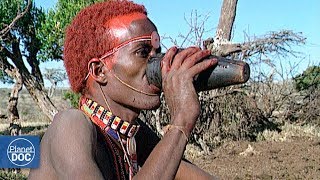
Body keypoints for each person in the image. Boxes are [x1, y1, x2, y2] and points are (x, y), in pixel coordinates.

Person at [28, 0, 218, 179]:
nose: (158, 65)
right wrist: (181, 122)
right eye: (143, 53)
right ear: (99, 71)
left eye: (157, 54)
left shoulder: (131, 134)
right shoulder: (69, 125)